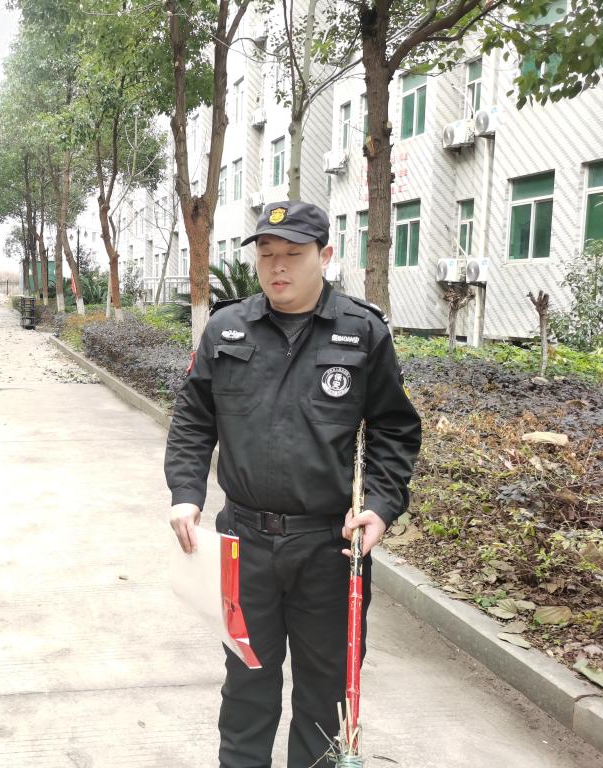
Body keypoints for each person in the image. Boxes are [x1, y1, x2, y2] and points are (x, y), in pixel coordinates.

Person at [165, 200, 421, 768]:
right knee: (247, 686)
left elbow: (395, 429)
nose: (277, 267)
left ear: (324, 256)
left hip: (328, 549)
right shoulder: (227, 327)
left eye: (292, 254)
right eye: (266, 255)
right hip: (243, 544)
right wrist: (186, 492)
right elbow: (193, 418)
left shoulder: (361, 331)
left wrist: (381, 506)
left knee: (325, 695)